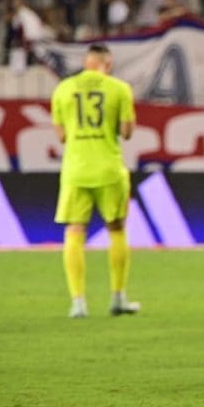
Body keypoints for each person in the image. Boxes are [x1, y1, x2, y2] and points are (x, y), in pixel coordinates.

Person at [52, 43, 140, 318]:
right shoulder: (119, 89)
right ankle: (117, 297)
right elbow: (126, 132)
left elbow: (61, 136)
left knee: (75, 232)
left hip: (76, 169)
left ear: (86, 62)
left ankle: (78, 302)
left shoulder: (63, 89)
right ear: (107, 63)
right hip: (109, 169)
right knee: (116, 229)